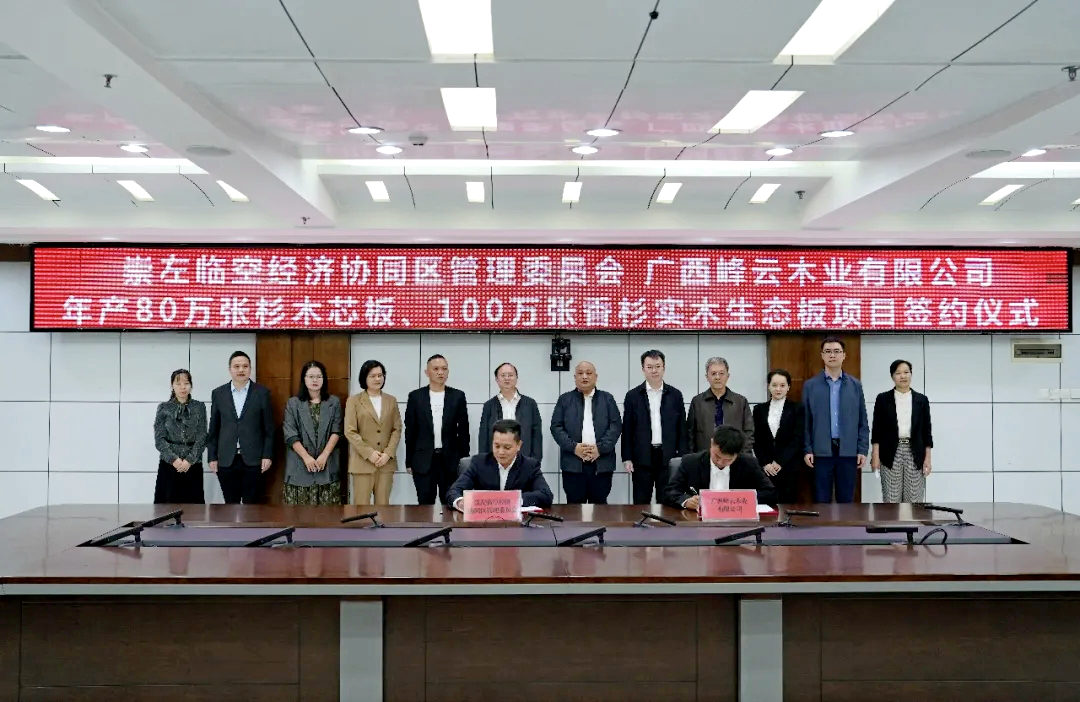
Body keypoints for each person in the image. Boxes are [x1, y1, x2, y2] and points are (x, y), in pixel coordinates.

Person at [802, 337, 869, 503]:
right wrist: (807, 449)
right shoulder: (810, 385)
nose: (832, 355)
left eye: (837, 351)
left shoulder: (855, 385)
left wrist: (862, 449)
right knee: (821, 501)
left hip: (848, 451)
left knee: (846, 501)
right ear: (822, 355)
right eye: (828, 351)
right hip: (820, 452)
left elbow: (863, 421)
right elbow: (805, 422)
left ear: (844, 355)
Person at [207, 350, 274, 504]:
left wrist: (267, 455)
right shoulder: (218, 393)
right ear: (230, 369)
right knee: (230, 505)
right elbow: (214, 428)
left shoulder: (262, 393)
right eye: (236, 366)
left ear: (250, 368)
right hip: (226, 459)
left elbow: (269, 429)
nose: (241, 370)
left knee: (252, 506)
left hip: (254, 459)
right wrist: (212, 456)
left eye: (245, 366)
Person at [550, 360, 622, 504]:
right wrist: (574, 447)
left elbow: (615, 426)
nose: (584, 376)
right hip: (573, 463)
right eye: (580, 373)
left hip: (601, 463)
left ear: (596, 377)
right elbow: (556, 427)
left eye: (588, 373)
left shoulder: (607, 399)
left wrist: (600, 448)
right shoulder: (565, 399)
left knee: (600, 508)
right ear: (575, 377)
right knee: (574, 507)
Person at [622, 350, 687, 504]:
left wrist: (683, 456)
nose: (654, 371)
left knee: (667, 501)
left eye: (658, 366)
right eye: (649, 367)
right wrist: (627, 457)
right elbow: (627, 429)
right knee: (641, 501)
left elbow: (682, 429)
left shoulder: (675, 395)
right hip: (641, 456)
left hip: (668, 456)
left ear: (664, 368)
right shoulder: (633, 396)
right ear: (643, 369)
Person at [404, 354, 470, 506]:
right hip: (423, 460)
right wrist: (409, 461)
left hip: (450, 460)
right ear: (427, 372)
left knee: (451, 503)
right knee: (425, 504)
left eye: (444, 369)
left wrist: (464, 460)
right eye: (436, 369)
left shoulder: (458, 396)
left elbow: (463, 431)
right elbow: (410, 431)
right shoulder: (415, 397)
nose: (441, 372)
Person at [447, 419, 553, 510]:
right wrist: (460, 502)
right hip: (485, 523)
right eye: (497, 446)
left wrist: (513, 499)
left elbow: (546, 495)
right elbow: (453, 491)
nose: (501, 452)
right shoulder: (479, 462)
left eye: (507, 447)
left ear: (518, 445)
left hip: (517, 524)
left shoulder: (530, 466)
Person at [665, 426, 776, 509]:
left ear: (737, 454)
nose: (720, 462)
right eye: (717, 456)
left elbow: (770, 492)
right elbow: (670, 491)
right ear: (712, 443)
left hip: (737, 520)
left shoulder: (748, 464)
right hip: (698, 521)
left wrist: (742, 499)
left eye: (728, 460)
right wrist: (686, 501)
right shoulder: (691, 462)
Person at [871, 359, 934, 503]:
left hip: (915, 451)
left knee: (914, 498)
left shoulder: (922, 400)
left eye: (906, 372)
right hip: (890, 452)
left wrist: (928, 458)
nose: (903, 376)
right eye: (898, 373)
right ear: (892, 376)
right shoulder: (882, 399)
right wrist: (875, 455)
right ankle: (892, 520)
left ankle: (912, 520)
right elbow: (877, 430)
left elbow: (927, 431)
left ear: (911, 374)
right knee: (892, 498)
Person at [281, 360, 343, 505]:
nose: (315, 380)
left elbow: (336, 431)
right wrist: (306, 458)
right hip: (299, 466)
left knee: (327, 515)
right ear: (304, 379)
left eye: (319, 376)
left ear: (324, 379)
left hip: (326, 465)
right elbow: (290, 434)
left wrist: (324, 455)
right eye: (311, 376)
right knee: (298, 515)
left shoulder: (333, 402)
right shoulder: (293, 403)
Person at [344, 359, 402, 505]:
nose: (377, 379)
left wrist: (388, 453)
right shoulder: (354, 401)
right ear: (364, 378)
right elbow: (350, 431)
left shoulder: (391, 400)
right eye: (373, 376)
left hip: (385, 463)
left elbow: (397, 429)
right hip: (362, 463)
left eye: (380, 375)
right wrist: (370, 453)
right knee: (361, 507)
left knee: (383, 507)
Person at [153, 368, 207, 503]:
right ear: (172, 386)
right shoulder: (164, 408)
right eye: (178, 383)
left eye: (186, 383)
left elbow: (202, 436)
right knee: (166, 508)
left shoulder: (199, 407)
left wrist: (189, 460)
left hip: (193, 464)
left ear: (191, 385)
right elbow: (159, 439)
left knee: (194, 509)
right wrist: (174, 460)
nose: (183, 387)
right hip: (169, 464)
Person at [752, 369, 806, 505]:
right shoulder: (759, 409)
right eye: (774, 385)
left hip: (789, 466)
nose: (778, 389)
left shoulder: (797, 408)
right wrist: (765, 463)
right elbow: (756, 439)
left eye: (782, 385)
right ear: (768, 386)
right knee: (766, 505)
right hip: (766, 468)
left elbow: (797, 438)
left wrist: (780, 462)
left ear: (788, 387)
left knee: (788, 505)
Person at [687, 356, 754, 454]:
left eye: (721, 373)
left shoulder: (740, 401)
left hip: (734, 457)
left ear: (728, 376)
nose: (717, 377)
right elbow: (690, 435)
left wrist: (742, 456)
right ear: (707, 377)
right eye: (713, 373)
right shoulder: (697, 402)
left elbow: (749, 433)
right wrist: (693, 458)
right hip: (705, 457)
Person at [478, 362, 543, 461]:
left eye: (510, 375)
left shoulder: (530, 404)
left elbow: (536, 436)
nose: (507, 378)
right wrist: (484, 462)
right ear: (497, 379)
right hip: (496, 460)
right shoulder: (489, 405)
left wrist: (535, 462)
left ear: (516, 378)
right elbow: (483, 437)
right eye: (503, 375)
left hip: (523, 460)